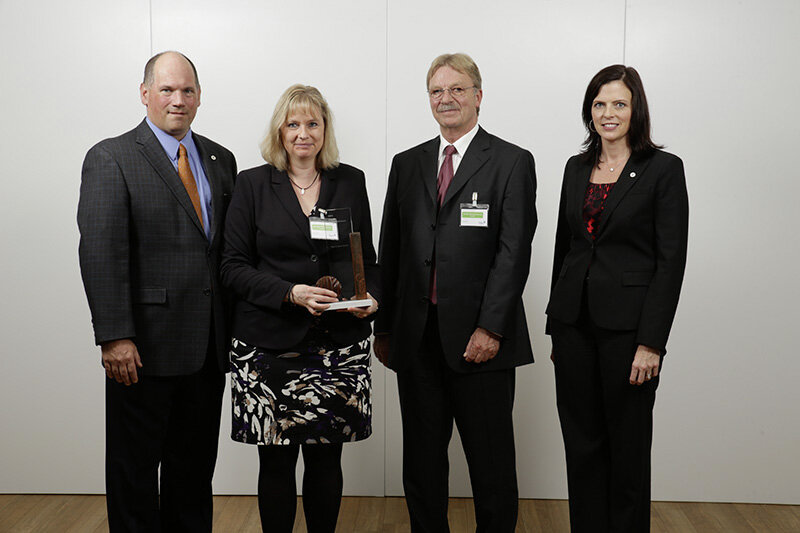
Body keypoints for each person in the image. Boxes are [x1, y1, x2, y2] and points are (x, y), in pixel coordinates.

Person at [375, 53, 537, 532]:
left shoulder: (510, 161)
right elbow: (392, 249)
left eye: (457, 89)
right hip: (417, 339)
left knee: (491, 465)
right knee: (422, 465)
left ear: (478, 96)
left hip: (479, 343)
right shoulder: (407, 164)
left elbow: (514, 253)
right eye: (437, 91)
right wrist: (384, 329)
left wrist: (491, 326)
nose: (446, 99)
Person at [77, 51, 237, 531]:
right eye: (167, 89)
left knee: (193, 476)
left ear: (200, 96)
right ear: (145, 94)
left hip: (207, 350)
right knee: (135, 476)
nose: (178, 99)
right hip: (141, 350)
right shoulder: (112, 156)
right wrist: (114, 337)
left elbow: (226, 254)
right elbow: (101, 253)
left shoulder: (219, 159)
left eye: (187, 90)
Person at [220, 84, 379, 533]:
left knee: (327, 461)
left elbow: (368, 262)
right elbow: (232, 267)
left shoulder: (351, 180)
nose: (303, 133)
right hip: (268, 345)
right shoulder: (252, 184)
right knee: (275, 464)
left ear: (325, 129)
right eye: (293, 124)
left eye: (312, 123)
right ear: (280, 131)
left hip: (337, 346)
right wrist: (291, 292)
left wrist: (372, 299)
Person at [546, 65, 689, 532]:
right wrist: (556, 325)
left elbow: (671, 263)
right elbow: (564, 249)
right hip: (574, 329)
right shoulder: (575, 167)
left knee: (626, 450)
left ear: (636, 109)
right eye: (600, 104)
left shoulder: (663, 170)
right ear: (590, 111)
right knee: (582, 447)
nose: (609, 113)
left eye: (619, 104)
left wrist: (652, 342)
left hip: (629, 335)